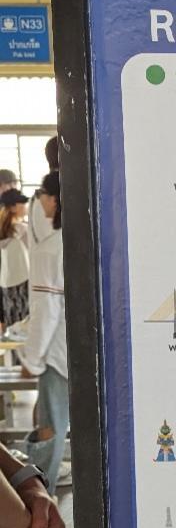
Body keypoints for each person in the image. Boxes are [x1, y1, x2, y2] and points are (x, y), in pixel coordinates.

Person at [17, 172, 69, 487]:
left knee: (50, 427)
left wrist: (32, 359)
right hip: (76, 350)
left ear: (53, 199)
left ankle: (40, 495)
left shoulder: (50, 249)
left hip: (55, 354)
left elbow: (46, 311)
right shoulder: (78, 240)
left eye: (43, 195)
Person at [0, 187, 30, 328]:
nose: (25, 206)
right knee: (24, 324)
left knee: (12, 323)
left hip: (6, 282)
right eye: (22, 203)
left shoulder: (4, 229)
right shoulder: (21, 229)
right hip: (23, 280)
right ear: (13, 208)